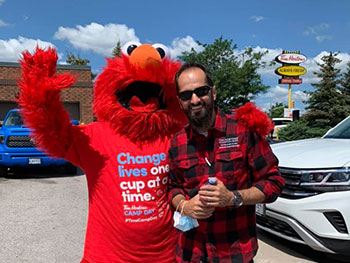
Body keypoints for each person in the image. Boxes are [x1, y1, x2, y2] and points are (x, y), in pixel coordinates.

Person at [168, 63, 285, 263]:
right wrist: (184, 205)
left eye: (201, 91)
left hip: (235, 253)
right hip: (190, 253)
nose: (195, 100)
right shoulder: (177, 142)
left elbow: (274, 183)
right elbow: (172, 187)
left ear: (213, 92)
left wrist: (233, 197)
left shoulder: (243, 132)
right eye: (186, 95)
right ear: (180, 101)